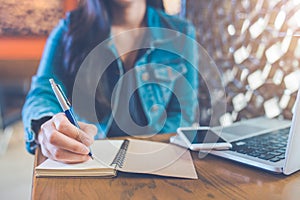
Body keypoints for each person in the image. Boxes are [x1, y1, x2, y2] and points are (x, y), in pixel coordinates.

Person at [22, 0, 199, 163]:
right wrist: (44, 126)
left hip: (155, 162)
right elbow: (41, 94)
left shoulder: (180, 32)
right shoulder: (69, 29)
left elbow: (184, 112)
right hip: (89, 160)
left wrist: (148, 153)